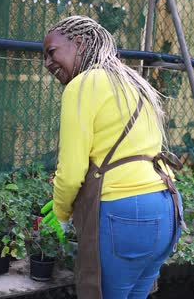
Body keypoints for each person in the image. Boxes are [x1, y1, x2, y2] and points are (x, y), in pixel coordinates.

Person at [40, 16, 183, 299]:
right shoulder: (134, 82)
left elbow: (71, 172)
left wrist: (60, 213)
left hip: (125, 217)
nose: (47, 63)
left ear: (78, 43)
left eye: (52, 52)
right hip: (167, 209)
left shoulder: (82, 85)